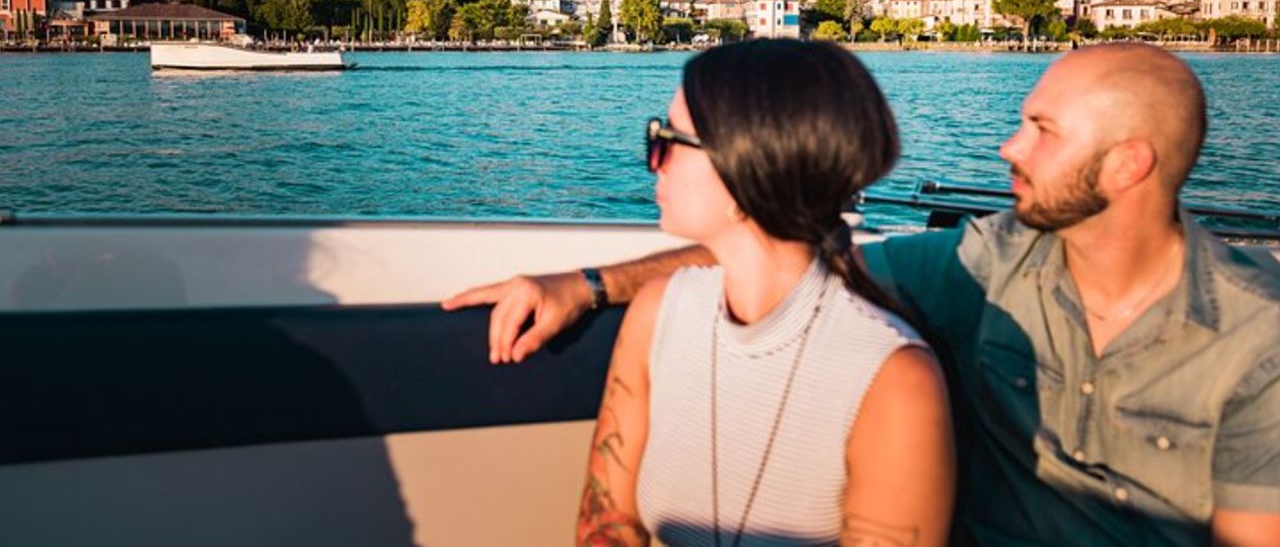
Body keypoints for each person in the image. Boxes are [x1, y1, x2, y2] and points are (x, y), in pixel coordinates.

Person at [445, 43, 1280, 545]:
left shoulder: (1258, 336)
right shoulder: (982, 261)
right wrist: (593, 285)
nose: (1005, 145)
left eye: (1042, 130)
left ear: (1129, 163)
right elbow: (802, 252)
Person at [565, 39, 954, 545]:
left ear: (744, 167)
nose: (653, 160)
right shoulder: (659, 311)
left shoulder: (894, 380)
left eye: (666, 139)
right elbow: (607, 523)